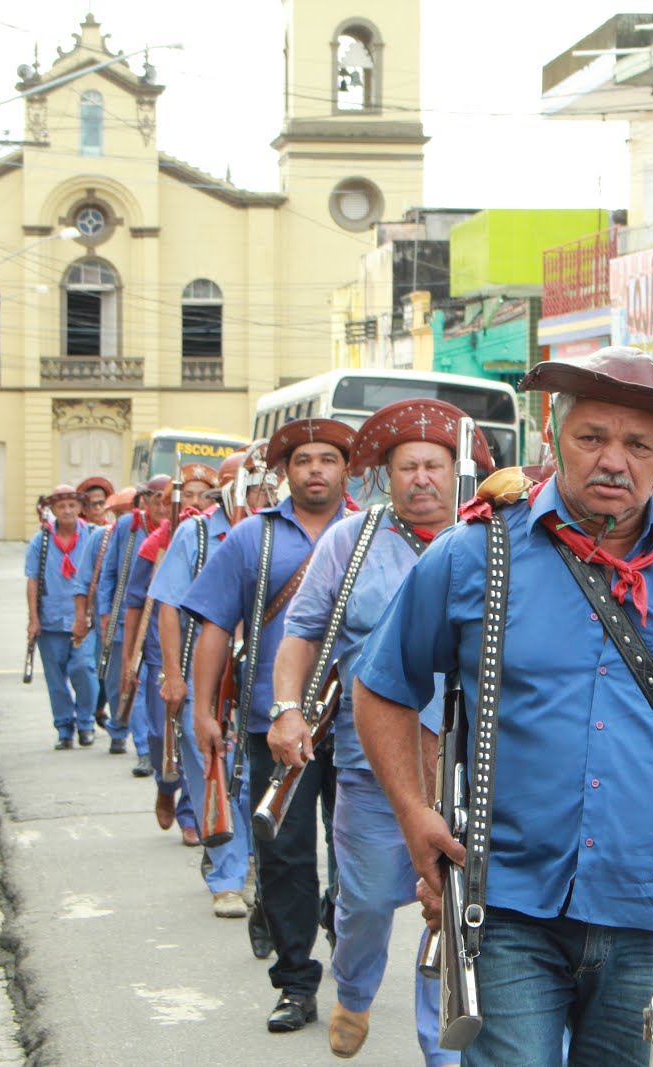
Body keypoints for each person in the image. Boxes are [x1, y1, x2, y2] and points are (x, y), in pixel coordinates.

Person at [354, 347, 653, 1067]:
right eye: (592, 438)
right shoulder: (473, 555)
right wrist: (414, 812)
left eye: (638, 444)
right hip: (506, 906)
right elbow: (384, 683)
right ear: (554, 434)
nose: (615, 460)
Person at [275, 400, 490, 1062]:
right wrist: (287, 706)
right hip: (373, 771)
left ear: (457, 474)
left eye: (434, 465)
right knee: (364, 901)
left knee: (451, 913)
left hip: (467, 773)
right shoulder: (352, 539)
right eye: (407, 466)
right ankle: (355, 989)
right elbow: (303, 632)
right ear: (385, 476)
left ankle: (443, 1049)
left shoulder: (490, 541)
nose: (421, 478)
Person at [186, 418, 355, 1034]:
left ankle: (332, 922)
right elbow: (211, 625)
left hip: (364, 722)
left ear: (347, 469)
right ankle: (295, 980)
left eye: (328, 459)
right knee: (283, 855)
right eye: (304, 460)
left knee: (357, 852)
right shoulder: (250, 538)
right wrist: (204, 712)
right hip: (274, 723)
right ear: (285, 472)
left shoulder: (375, 534)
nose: (315, 469)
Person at [152, 444, 277, 920]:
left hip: (260, 683)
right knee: (214, 775)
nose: (264, 494)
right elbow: (168, 604)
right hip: (205, 680)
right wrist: (174, 676)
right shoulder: (198, 534)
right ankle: (225, 879)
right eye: (255, 484)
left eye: (271, 485)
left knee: (252, 779)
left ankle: (247, 863)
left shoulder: (280, 532)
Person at [124, 466, 215, 843]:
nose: (194, 503)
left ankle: (191, 813)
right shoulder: (156, 544)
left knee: (200, 739)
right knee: (164, 733)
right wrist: (129, 658)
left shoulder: (218, 537)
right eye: (187, 495)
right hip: (165, 652)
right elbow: (134, 602)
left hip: (207, 651)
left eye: (202, 495)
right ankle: (166, 784)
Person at [96, 481, 170, 758]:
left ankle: (143, 749)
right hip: (124, 616)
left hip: (158, 623)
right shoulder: (128, 526)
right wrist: (104, 613)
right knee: (120, 682)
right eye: (157, 500)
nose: (162, 507)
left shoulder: (181, 529)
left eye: (168, 501)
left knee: (145, 686)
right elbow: (109, 572)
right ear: (145, 501)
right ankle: (119, 726)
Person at [25, 485, 101, 750]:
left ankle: (86, 722)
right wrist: (33, 619)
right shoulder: (41, 541)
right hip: (51, 620)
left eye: (72, 505)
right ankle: (64, 728)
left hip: (86, 620)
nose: (67, 511)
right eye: (61, 507)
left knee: (84, 669)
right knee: (55, 678)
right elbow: (32, 580)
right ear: (53, 510)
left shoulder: (92, 535)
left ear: (80, 508)